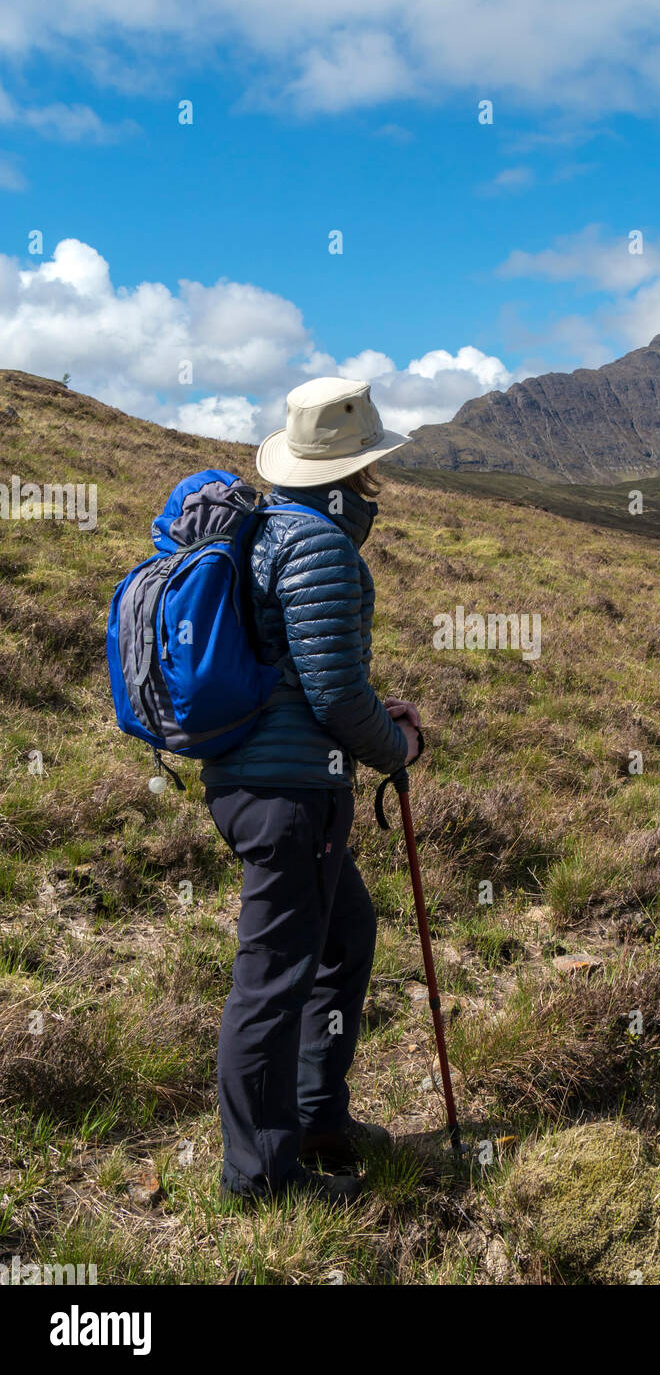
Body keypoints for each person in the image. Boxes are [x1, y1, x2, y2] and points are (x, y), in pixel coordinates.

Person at [202, 376, 421, 1203]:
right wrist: (394, 745)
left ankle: (317, 1115)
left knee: (340, 938)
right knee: (272, 979)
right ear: (356, 470)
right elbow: (332, 693)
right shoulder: (319, 544)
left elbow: (307, 672)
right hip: (292, 793)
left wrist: (370, 713)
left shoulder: (270, 532)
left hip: (254, 780)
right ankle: (260, 1177)